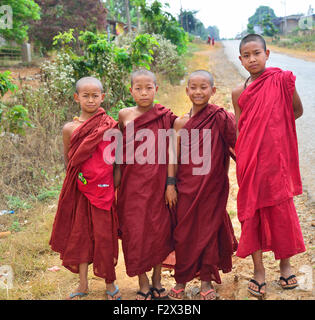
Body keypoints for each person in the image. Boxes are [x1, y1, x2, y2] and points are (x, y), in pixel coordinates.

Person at [231, 34, 305, 298]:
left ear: (267, 53)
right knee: (252, 214)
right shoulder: (239, 92)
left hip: (276, 162)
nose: (252, 59)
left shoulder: (282, 80)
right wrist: (244, 156)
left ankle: (285, 266)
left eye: (256, 53)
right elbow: (240, 128)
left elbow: (296, 110)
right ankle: (259, 271)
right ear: (240, 59)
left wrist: (276, 130)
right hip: (250, 163)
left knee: (281, 212)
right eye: (247, 56)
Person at [165, 70, 237, 300]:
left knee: (208, 231)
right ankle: (181, 279)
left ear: (213, 91)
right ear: (186, 91)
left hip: (212, 187)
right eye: (193, 87)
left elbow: (237, 146)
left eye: (203, 87)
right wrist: (170, 184)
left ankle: (207, 280)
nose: (198, 92)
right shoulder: (180, 123)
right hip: (185, 186)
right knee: (184, 232)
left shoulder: (221, 117)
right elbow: (172, 156)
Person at [49, 77, 121, 300]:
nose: (91, 100)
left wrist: (113, 187)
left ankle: (110, 283)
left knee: (104, 237)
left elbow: (117, 163)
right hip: (80, 191)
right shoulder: (70, 129)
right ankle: (83, 285)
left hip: (105, 191)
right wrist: (77, 185)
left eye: (95, 95)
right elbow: (68, 162)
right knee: (80, 236)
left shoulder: (111, 127)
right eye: (85, 95)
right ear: (76, 97)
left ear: (103, 97)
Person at [116, 69, 177, 300]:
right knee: (136, 233)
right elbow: (118, 152)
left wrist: (171, 183)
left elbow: (172, 151)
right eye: (138, 88)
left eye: (148, 88)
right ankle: (142, 282)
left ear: (156, 89)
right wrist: (116, 186)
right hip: (132, 187)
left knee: (159, 232)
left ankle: (157, 280)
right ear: (130, 91)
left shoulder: (165, 116)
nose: (143, 93)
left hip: (159, 184)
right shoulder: (124, 115)